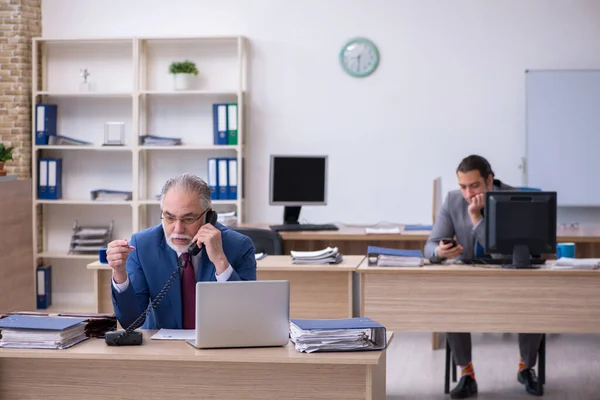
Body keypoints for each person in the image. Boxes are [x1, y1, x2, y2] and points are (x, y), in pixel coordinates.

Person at [424, 155, 544, 398]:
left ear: (489, 180)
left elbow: (503, 250)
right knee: (450, 302)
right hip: (469, 278)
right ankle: (467, 374)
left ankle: (525, 368)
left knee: (535, 299)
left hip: (509, 276)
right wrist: (439, 251)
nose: (468, 193)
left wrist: (476, 217)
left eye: (474, 185)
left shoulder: (514, 198)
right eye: (463, 186)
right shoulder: (452, 199)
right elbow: (429, 245)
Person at [106, 173, 257, 330]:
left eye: (188, 219)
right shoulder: (142, 245)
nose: (177, 229)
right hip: (162, 349)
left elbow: (244, 316)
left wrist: (220, 260)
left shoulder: (239, 246)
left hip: (218, 346)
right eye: (169, 218)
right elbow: (131, 321)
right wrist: (119, 274)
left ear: (208, 216)